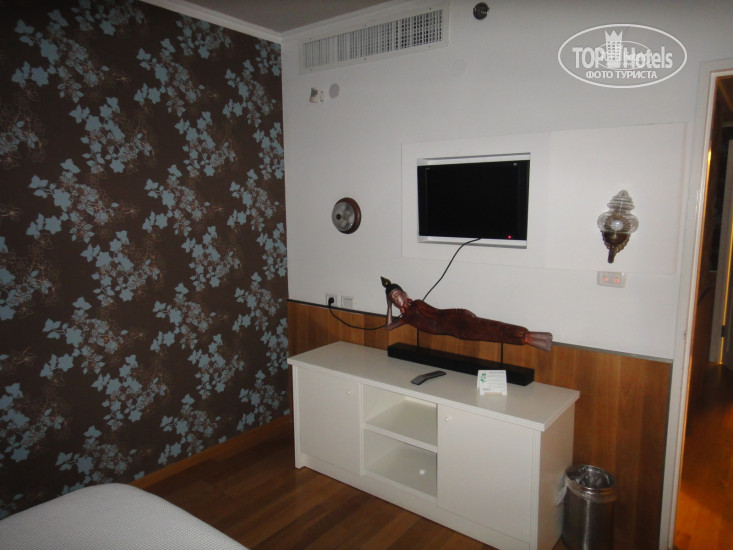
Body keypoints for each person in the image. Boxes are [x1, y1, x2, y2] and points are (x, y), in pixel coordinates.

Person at [381, 277, 552, 351]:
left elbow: (438, 313)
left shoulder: (417, 305)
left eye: (396, 295)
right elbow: (388, 328)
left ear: (404, 294)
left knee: (487, 328)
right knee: (487, 334)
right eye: (392, 299)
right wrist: (388, 306)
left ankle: (530, 337)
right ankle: (530, 338)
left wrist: (459, 311)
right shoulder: (406, 318)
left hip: (452, 322)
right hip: (453, 331)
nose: (396, 299)